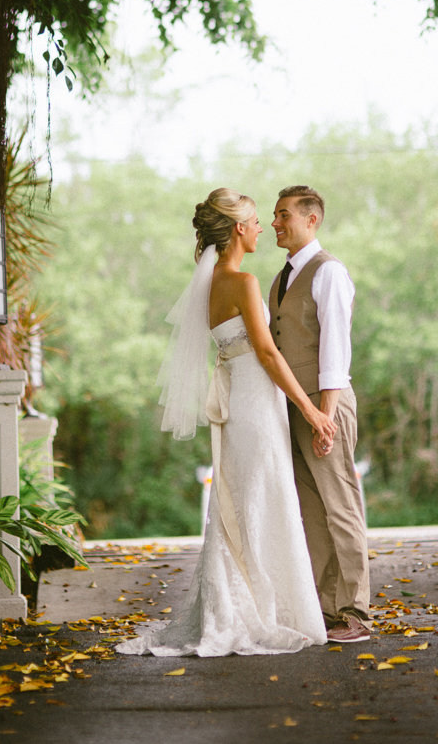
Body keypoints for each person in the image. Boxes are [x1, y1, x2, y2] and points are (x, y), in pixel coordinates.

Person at [117, 188, 337, 657]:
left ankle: (240, 605)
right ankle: (259, 612)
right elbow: (267, 353)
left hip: (240, 403)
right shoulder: (242, 280)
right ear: (238, 228)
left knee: (241, 500)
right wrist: (311, 409)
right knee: (262, 498)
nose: (263, 228)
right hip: (256, 406)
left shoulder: (211, 281)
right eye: (257, 221)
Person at [270, 185, 372, 644]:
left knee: (342, 506)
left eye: (283, 214)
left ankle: (356, 613)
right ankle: (327, 610)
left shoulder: (328, 271)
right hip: (296, 405)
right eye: (273, 215)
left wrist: (324, 415)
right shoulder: (283, 275)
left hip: (324, 402)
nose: (275, 222)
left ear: (311, 219)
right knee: (312, 511)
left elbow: (335, 347)